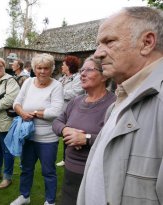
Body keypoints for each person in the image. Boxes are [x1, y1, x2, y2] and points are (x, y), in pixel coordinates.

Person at [77, 7, 163, 205]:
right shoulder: (121, 99)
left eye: (109, 42)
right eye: (98, 44)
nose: (97, 54)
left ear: (147, 43)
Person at [52, 56, 116, 205]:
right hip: (70, 171)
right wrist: (66, 130)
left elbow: (116, 138)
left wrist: (86, 138)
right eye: (82, 70)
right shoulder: (76, 101)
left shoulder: (114, 104)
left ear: (104, 76)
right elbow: (57, 122)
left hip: (97, 173)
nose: (82, 74)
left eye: (89, 70)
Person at [10, 53, 64, 205]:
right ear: (34, 68)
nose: (42, 71)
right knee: (26, 169)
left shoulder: (56, 86)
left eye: (46, 68)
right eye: (39, 68)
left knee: (48, 171)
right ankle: (24, 196)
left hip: (47, 138)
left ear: (51, 69)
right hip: (28, 136)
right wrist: (21, 112)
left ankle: (50, 201)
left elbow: (56, 112)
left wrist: (33, 113)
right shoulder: (28, 82)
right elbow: (16, 103)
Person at [0, 56, 20, 189]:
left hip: (5, 121)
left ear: (4, 66)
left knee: (7, 150)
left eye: (0, 65)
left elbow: (10, 99)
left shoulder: (10, 80)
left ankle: (7, 177)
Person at [56, 55, 84, 167]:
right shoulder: (62, 78)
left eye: (64, 64)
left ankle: (72, 158)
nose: (62, 66)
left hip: (74, 110)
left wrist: (58, 94)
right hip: (62, 111)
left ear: (69, 66)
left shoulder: (78, 78)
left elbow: (76, 93)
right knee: (65, 133)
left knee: (72, 134)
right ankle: (65, 158)